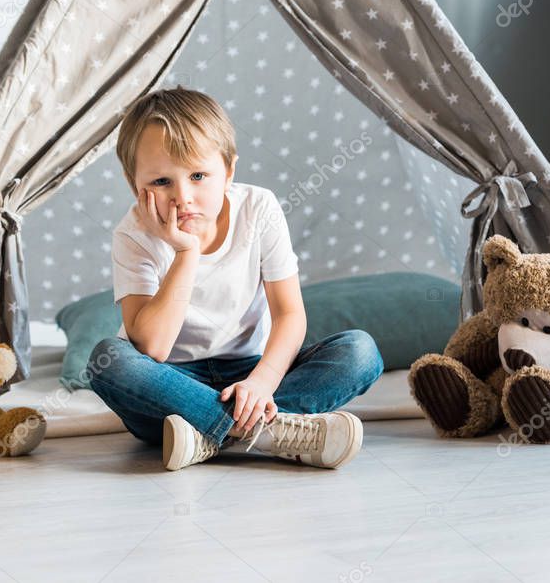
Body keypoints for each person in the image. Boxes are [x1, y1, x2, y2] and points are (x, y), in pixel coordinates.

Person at [88, 87, 383, 471]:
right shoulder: (132, 236)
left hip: (250, 373)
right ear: (134, 185)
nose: (183, 196)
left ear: (228, 172)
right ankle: (269, 434)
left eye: (198, 175)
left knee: (360, 351)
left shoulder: (258, 209)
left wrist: (262, 383)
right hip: (169, 385)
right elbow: (153, 348)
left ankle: (206, 435)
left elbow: (290, 315)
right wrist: (185, 252)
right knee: (108, 363)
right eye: (161, 182)